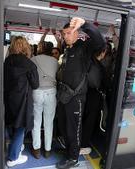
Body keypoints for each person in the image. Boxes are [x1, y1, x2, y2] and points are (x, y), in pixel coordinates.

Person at [56, 17, 106, 169]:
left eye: (68, 33)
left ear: (77, 33)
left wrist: (85, 24)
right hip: (64, 96)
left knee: (74, 129)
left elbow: (99, 42)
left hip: (76, 98)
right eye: (64, 34)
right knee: (63, 126)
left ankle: (73, 158)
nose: (65, 36)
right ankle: (69, 151)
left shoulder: (84, 48)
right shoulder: (68, 49)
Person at [4, 36, 39, 167]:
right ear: (26, 47)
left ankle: (16, 146)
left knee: (12, 124)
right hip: (23, 101)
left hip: (8, 99)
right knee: (21, 127)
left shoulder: (7, 62)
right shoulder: (29, 64)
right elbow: (35, 85)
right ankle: (13, 158)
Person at [30, 41, 58, 159]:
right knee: (49, 122)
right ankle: (47, 150)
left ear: (40, 48)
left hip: (36, 91)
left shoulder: (33, 59)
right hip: (51, 92)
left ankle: (36, 149)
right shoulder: (55, 61)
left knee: (36, 122)